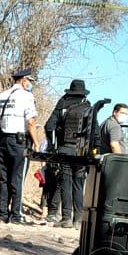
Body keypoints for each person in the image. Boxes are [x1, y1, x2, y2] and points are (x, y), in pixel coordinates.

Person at [0, 68, 42, 224]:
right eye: (30, 81)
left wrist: (6, 125)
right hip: (19, 141)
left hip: (3, 140)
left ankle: (2, 214)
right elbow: (31, 122)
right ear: (24, 80)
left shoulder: (2, 96)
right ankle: (16, 215)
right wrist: (36, 143)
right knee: (17, 178)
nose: (30, 84)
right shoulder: (27, 96)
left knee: (4, 178)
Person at [43, 78, 93, 226]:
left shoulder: (62, 105)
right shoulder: (88, 108)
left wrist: (52, 146)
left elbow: (48, 126)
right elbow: (93, 132)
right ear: (83, 93)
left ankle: (66, 218)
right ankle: (78, 219)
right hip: (81, 152)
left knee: (66, 183)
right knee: (78, 184)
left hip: (64, 149)